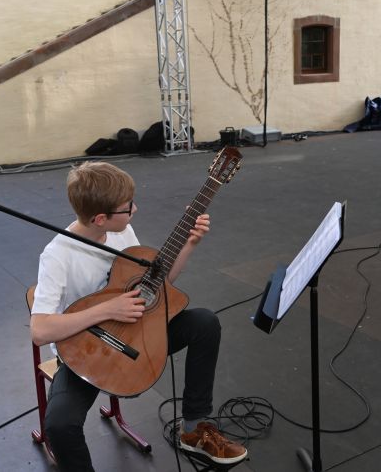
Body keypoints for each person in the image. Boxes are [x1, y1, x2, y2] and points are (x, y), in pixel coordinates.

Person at [29, 161, 247, 471]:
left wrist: (190, 243)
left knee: (204, 323)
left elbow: (154, 285)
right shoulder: (58, 254)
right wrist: (107, 309)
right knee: (60, 426)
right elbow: (39, 330)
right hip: (88, 352)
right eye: (127, 207)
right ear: (101, 218)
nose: (135, 210)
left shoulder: (122, 230)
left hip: (137, 334)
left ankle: (194, 429)